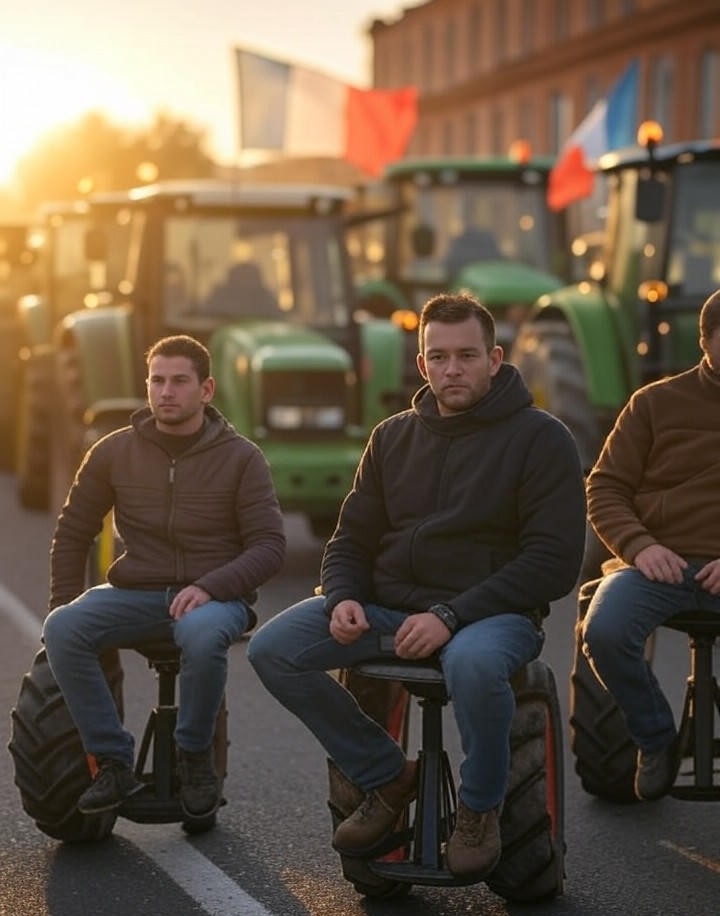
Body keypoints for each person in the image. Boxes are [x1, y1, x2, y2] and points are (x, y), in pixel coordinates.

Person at [248, 292, 585, 878]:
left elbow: (553, 562)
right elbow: (349, 539)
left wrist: (452, 617)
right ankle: (387, 775)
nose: (452, 369)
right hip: (386, 610)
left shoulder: (542, 439)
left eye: (466, 356)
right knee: (274, 649)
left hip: (490, 618)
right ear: (423, 363)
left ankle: (479, 810)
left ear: (495, 358)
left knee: (475, 666)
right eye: (438, 356)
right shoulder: (392, 438)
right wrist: (345, 595)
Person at [43, 334, 286, 819]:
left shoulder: (242, 458)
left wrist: (211, 587)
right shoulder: (113, 452)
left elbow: (269, 547)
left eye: (179, 381)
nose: (166, 391)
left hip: (217, 598)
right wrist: (64, 602)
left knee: (199, 634)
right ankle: (113, 761)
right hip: (138, 591)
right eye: (157, 380)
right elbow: (73, 531)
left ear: (207, 389)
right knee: (63, 628)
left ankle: (194, 757)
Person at [581, 289, 720, 802]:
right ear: (704, 341)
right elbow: (605, 486)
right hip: (659, 564)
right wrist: (640, 547)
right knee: (606, 630)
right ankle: (656, 738)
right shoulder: (654, 403)